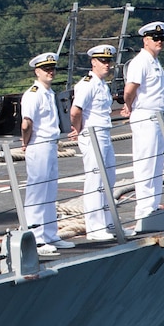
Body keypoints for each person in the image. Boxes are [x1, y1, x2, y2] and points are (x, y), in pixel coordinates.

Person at [120, 22, 164, 221]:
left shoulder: (154, 62)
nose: (159, 42)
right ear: (145, 40)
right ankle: (143, 208)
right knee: (146, 163)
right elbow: (129, 90)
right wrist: (129, 106)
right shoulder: (140, 62)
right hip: (145, 116)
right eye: (155, 38)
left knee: (157, 162)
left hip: (158, 116)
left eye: (161, 39)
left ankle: (153, 204)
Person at [21, 52, 70, 255]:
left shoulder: (49, 92)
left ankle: (50, 234)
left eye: (52, 68)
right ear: (37, 71)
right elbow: (26, 124)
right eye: (46, 69)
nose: (50, 72)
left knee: (50, 191)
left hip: (50, 144)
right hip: (38, 144)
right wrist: (26, 143)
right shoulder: (33, 93)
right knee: (37, 192)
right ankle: (36, 239)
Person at [69, 44, 119, 241]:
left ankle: (107, 222)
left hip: (104, 133)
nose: (107, 64)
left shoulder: (101, 84)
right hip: (92, 134)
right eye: (103, 61)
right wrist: (79, 130)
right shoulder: (87, 84)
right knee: (95, 181)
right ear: (93, 62)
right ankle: (94, 226)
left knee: (109, 179)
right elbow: (75, 111)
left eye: (108, 61)